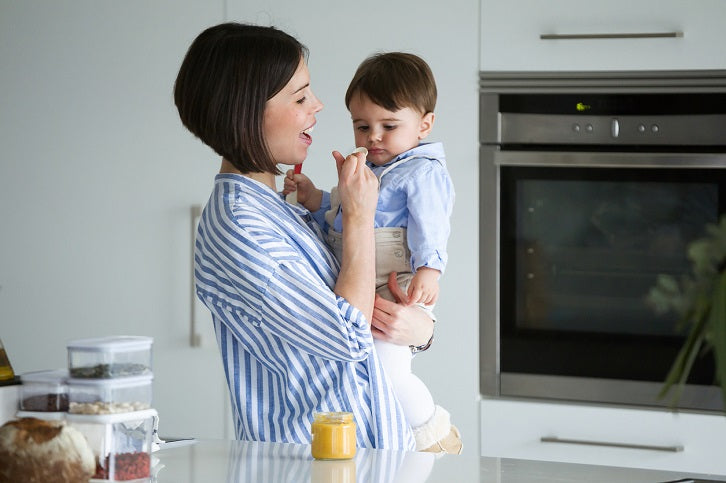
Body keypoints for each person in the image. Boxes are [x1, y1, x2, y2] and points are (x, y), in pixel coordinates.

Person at [173, 23, 436, 451]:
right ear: (246, 110)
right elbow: (349, 337)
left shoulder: (280, 208)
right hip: (309, 467)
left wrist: (420, 330)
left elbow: (364, 318)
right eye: (300, 97)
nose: (318, 105)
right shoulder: (239, 226)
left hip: (367, 458)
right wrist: (357, 216)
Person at [283, 52, 460, 453]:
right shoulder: (375, 169)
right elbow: (350, 213)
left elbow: (433, 224)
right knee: (375, 372)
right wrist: (316, 198)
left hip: (395, 283)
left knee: (387, 371)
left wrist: (431, 269)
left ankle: (435, 438)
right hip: (367, 280)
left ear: (425, 124)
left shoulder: (422, 171)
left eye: (389, 126)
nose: (373, 137)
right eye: (362, 126)